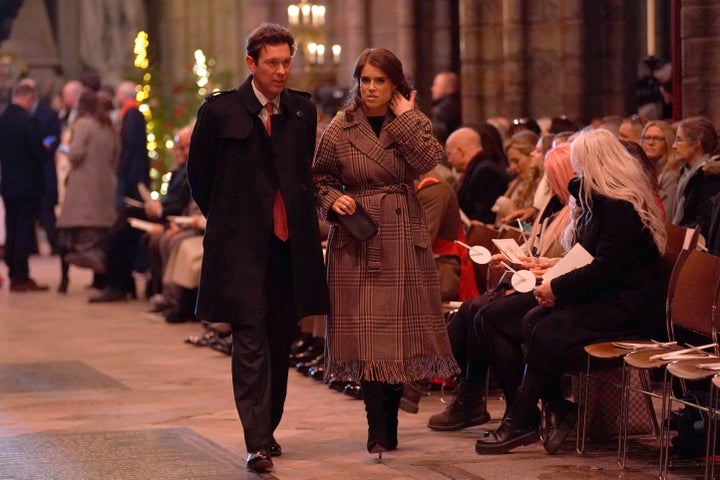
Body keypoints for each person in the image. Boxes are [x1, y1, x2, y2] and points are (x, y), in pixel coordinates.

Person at [186, 23, 329, 473]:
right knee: (249, 339)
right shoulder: (221, 112)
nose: (282, 71)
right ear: (252, 63)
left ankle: (268, 427)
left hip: (290, 249)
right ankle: (256, 441)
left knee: (279, 338)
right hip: (242, 249)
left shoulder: (303, 112)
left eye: (287, 62)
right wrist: (231, 223)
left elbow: (301, 174)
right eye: (272, 63)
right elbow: (200, 178)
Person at [475, 128, 666, 455]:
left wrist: (557, 288)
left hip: (631, 306)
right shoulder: (600, 200)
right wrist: (551, 273)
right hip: (611, 295)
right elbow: (587, 257)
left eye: (578, 166)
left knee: (545, 328)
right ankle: (550, 410)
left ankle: (523, 419)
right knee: (534, 320)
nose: (574, 174)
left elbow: (607, 268)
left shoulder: (620, 205)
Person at [312, 47, 459, 458]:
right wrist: (332, 200)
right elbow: (319, 178)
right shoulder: (341, 127)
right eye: (365, 80)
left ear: (395, 85)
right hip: (358, 239)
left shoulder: (409, 123)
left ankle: (388, 423)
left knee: (397, 336)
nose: (371, 88)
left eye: (380, 81)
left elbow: (430, 160)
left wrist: (409, 117)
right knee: (367, 337)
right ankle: (377, 427)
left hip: (400, 235)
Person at [427, 143, 575, 433]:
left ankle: (497, 403)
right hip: (537, 280)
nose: (552, 185)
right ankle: (481, 399)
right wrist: (518, 258)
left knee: (483, 314)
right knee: (476, 311)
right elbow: (541, 248)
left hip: (558, 289)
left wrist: (533, 264)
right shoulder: (555, 204)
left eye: (554, 178)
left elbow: (575, 258)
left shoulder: (581, 207)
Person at [88, 80, 150, 302]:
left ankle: (119, 285)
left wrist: (127, 189)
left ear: (123, 96)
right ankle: (123, 284)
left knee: (119, 236)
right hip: (132, 185)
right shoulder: (132, 115)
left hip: (131, 188)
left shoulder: (132, 116)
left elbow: (131, 155)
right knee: (122, 236)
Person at [55, 90, 119, 293]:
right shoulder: (109, 127)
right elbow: (117, 157)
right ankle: (104, 280)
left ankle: (71, 271)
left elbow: (75, 154)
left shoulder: (83, 125)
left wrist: (64, 148)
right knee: (101, 235)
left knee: (72, 233)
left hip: (83, 187)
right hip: (105, 186)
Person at [0, 82, 48, 292]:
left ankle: (13, 270)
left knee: (12, 227)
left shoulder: (3, 120)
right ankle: (21, 275)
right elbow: (39, 154)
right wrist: (46, 148)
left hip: (8, 183)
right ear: (28, 98)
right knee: (24, 230)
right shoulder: (28, 121)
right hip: (28, 184)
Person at [670, 116, 720, 239]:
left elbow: (704, 221)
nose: (674, 146)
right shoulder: (686, 172)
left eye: (679, 140)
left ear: (697, 143)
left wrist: (676, 234)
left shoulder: (708, 175)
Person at [447, 126, 508, 224]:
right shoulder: (478, 169)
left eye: (449, 154)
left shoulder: (485, 172)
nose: (449, 160)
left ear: (460, 151)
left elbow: (482, 218)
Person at [640, 120, 680, 214]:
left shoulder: (671, 176)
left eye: (657, 138)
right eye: (647, 138)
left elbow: (667, 215)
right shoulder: (640, 171)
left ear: (668, 142)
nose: (650, 143)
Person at [429, 71, 461, 145]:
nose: (432, 89)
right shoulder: (460, 105)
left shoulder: (441, 110)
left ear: (446, 87)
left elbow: (437, 138)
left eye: (435, 85)